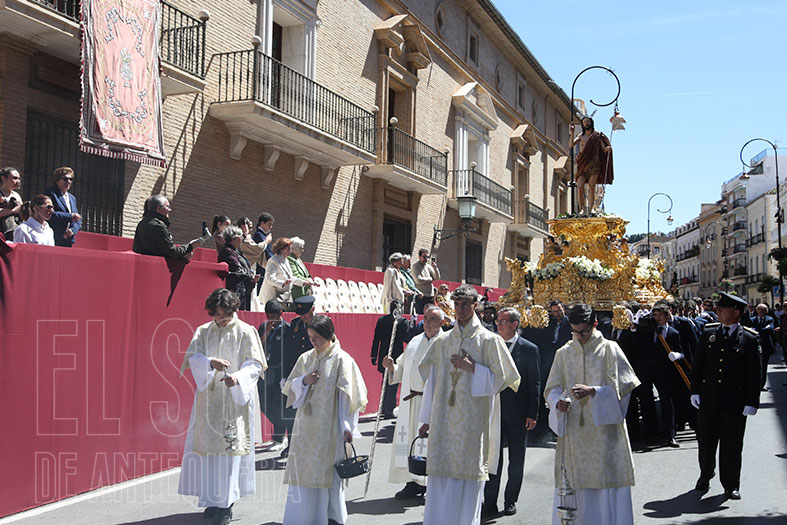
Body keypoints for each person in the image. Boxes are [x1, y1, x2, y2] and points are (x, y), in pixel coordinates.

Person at [417, 284, 520, 525]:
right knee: (441, 476)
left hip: (472, 425)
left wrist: (474, 368)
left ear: (476, 306)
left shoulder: (489, 341)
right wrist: (426, 418)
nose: (460, 309)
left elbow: (503, 379)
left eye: (465, 304)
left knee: (467, 477)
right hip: (443, 421)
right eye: (456, 304)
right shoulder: (442, 341)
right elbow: (431, 382)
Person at [177, 288, 267, 525]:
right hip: (209, 402)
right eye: (215, 314)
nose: (220, 318)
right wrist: (209, 363)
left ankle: (226, 505)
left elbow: (256, 364)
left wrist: (237, 378)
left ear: (232, 309)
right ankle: (212, 501)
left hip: (234, 402)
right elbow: (192, 358)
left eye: (223, 313)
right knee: (209, 454)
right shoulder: (203, 331)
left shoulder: (246, 331)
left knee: (228, 454)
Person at [545, 303, 640, 525]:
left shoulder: (610, 350)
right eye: (574, 331)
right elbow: (552, 388)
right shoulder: (564, 353)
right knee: (575, 486)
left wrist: (594, 391)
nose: (579, 336)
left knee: (605, 485)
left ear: (594, 324)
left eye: (583, 331)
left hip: (604, 436)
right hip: (574, 435)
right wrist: (558, 402)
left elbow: (624, 391)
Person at [281, 314, 368, 525]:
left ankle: (332, 517)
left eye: (317, 338)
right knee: (304, 472)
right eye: (310, 337)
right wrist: (304, 381)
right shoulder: (305, 358)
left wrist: (347, 426)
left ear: (329, 335)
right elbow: (288, 387)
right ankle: (303, 517)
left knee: (328, 473)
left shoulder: (342, 360)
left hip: (330, 428)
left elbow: (349, 396)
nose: (313, 342)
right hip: (305, 426)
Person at [691, 292, 761, 500]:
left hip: (734, 400)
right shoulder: (709, 333)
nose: (718, 311)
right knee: (706, 441)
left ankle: (731, 484)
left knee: (732, 444)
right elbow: (698, 365)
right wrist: (695, 391)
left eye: (723, 308)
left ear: (736, 312)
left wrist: (752, 401)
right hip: (709, 398)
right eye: (718, 308)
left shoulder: (749, 338)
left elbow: (755, 373)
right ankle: (705, 474)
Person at [382, 304, 446, 500]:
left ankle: (431, 485)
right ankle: (412, 483)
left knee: (430, 445)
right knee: (410, 441)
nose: (428, 322)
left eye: (433, 319)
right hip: (411, 402)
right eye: (425, 318)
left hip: (432, 404)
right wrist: (391, 367)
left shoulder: (446, 343)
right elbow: (401, 368)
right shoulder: (414, 342)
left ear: (442, 322)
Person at [482, 307, 540, 519]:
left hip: (518, 413)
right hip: (494, 412)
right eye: (498, 321)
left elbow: (534, 383)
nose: (498, 324)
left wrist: (532, 413)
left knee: (516, 459)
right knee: (492, 459)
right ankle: (489, 502)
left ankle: (510, 500)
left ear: (515, 324)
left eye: (503, 321)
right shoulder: (490, 345)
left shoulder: (529, 349)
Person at [635, 302, 686, 447]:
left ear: (667, 316)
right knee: (646, 401)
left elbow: (682, 353)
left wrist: (677, 355)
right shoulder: (647, 330)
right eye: (655, 315)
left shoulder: (673, 333)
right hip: (646, 371)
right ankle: (650, 434)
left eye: (660, 315)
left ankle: (671, 435)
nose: (657, 318)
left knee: (667, 402)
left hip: (663, 372)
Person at [279, 295, 317, 458]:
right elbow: (287, 351)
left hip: (314, 375)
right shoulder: (295, 324)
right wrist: (284, 376)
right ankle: (292, 444)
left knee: (310, 411)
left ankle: (311, 444)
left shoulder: (321, 324)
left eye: (306, 313)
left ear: (313, 309)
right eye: (301, 314)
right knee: (291, 410)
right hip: (296, 374)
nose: (303, 317)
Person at [258, 300, 291, 451]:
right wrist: (266, 333)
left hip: (279, 371)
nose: (271, 319)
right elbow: (257, 345)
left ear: (281, 314)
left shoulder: (287, 329)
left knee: (278, 404)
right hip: (266, 370)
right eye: (268, 316)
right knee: (264, 402)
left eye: (273, 316)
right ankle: (281, 428)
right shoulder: (263, 327)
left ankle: (279, 438)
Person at [371, 300, 409, 419]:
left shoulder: (382, 320)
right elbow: (407, 338)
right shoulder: (403, 322)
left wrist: (373, 355)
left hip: (384, 355)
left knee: (385, 382)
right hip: (396, 356)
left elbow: (376, 340)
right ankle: (388, 409)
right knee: (393, 383)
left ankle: (384, 408)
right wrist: (411, 325)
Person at [133, 195, 201, 260]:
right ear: (159, 209)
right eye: (167, 207)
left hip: (143, 264)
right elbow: (172, 252)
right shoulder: (158, 226)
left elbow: (159, 251)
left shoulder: (142, 223)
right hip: (156, 266)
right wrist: (191, 246)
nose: (170, 210)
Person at [259, 237, 318, 311]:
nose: (290, 251)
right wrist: (282, 283)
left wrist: (305, 282)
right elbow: (269, 277)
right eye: (288, 249)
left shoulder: (286, 261)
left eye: (290, 249)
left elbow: (291, 278)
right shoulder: (273, 260)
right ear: (281, 248)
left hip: (284, 297)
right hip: (273, 297)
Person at [571, 116, 613, 215]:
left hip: (594, 164)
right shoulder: (580, 136)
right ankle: (581, 209)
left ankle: (591, 209)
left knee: (591, 186)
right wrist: (572, 132)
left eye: (587, 121)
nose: (586, 123)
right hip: (582, 164)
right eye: (584, 122)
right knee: (580, 186)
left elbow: (603, 148)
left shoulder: (597, 136)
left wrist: (607, 149)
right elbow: (571, 144)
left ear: (591, 123)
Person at [218, 226, 259, 311]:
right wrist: (250, 276)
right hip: (234, 292)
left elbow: (246, 267)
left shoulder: (237, 252)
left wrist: (252, 278)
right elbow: (237, 268)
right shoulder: (227, 251)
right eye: (240, 236)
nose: (242, 239)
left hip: (243, 292)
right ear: (233, 238)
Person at [43, 167, 82, 247]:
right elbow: (49, 213)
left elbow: (78, 219)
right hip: (54, 237)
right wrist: (70, 216)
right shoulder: (50, 193)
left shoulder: (72, 198)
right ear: (57, 180)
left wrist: (73, 230)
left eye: (71, 179)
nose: (68, 182)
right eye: (65, 179)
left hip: (68, 239)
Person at [750, 303, 774, 389]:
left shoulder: (769, 319)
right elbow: (751, 331)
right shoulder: (752, 320)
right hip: (755, 345)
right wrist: (762, 330)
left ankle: (762, 384)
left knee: (763, 366)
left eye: (763, 309)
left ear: (766, 311)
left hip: (765, 346)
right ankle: (755, 383)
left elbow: (770, 329)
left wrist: (758, 330)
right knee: (754, 365)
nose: (760, 311)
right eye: (759, 309)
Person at [411, 249, 440, 314]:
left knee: (431, 315)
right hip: (421, 296)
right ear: (419, 257)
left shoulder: (429, 267)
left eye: (427, 257)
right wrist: (430, 279)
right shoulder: (415, 266)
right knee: (421, 316)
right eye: (424, 257)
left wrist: (435, 268)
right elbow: (418, 280)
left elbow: (437, 278)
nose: (426, 259)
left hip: (431, 296)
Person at [288, 236, 315, 301]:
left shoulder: (298, 259)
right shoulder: (290, 259)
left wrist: (310, 280)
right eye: (301, 248)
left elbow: (306, 273)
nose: (303, 250)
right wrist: (309, 282)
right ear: (295, 249)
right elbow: (295, 275)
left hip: (303, 292)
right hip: (296, 293)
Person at [252, 212, 275, 286]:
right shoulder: (259, 235)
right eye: (269, 224)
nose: (270, 227)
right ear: (262, 223)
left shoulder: (264, 235)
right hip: (260, 266)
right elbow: (266, 251)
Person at [0, 167, 23, 240]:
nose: (18, 181)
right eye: (14, 178)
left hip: (15, 230)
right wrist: (13, 210)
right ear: (3, 179)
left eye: (19, 179)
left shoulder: (16, 195)